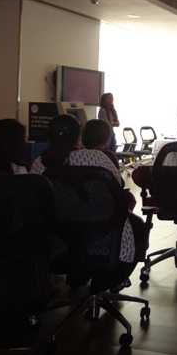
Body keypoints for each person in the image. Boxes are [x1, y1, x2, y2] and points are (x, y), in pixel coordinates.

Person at [30, 115, 139, 291]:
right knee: (137, 225)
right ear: (78, 137)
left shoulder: (39, 164)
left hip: (60, 244)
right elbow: (117, 187)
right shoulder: (98, 158)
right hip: (107, 239)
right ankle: (107, 283)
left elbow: (36, 203)